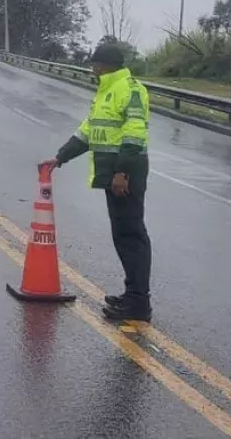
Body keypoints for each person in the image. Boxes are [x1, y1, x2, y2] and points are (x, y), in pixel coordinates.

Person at [42, 43, 153, 322]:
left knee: (131, 236)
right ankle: (132, 295)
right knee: (123, 236)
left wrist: (122, 173)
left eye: (95, 65)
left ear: (103, 65)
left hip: (125, 174)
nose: (92, 69)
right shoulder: (106, 91)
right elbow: (89, 130)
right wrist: (61, 157)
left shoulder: (130, 89)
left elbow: (134, 134)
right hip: (112, 173)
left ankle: (139, 303)